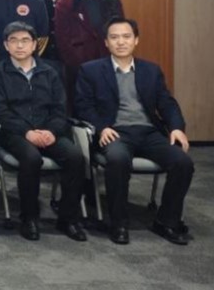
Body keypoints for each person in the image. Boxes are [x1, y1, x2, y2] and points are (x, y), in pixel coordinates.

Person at [75, 17, 193, 245]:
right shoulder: (91, 70)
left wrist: (177, 128)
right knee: (117, 160)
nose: (121, 42)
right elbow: (83, 106)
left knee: (183, 163)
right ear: (106, 42)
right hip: (115, 132)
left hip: (148, 132)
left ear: (136, 40)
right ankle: (118, 223)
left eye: (126, 36)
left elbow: (167, 103)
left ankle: (167, 221)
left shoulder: (151, 70)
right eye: (114, 37)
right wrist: (101, 128)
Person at [0, 22, 87, 242]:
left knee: (75, 157)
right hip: (14, 133)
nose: (19, 45)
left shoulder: (50, 72)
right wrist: (27, 132)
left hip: (49, 131)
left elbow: (60, 109)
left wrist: (51, 131)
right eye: (13, 41)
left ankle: (68, 218)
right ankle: (29, 218)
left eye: (25, 40)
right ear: (6, 45)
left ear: (35, 45)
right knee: (31, 158)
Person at [55, 0, 124, 103]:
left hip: (109, 64)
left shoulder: (113, 1)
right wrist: (78, 66)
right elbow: (62, 41)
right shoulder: (65, 5)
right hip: (78, 67)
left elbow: (120, 33)